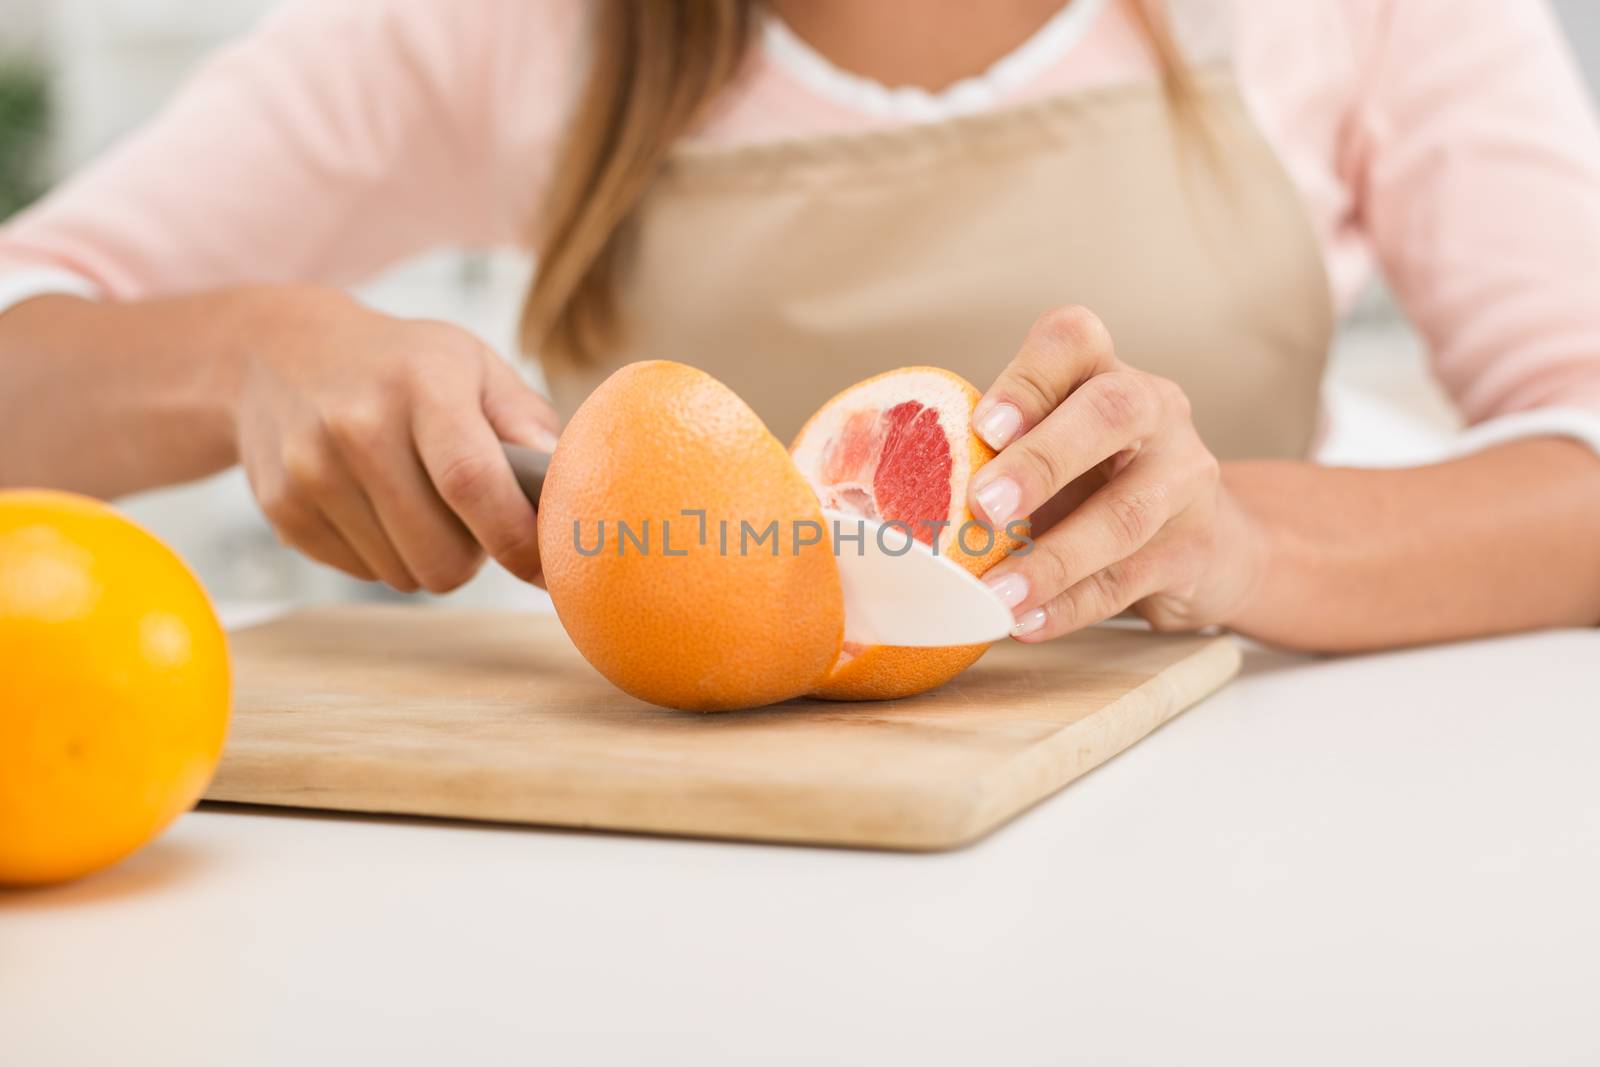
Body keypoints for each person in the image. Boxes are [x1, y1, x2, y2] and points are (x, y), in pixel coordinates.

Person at [2, 0, 1599, 652]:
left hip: (1246, 843)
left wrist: (1243, 544)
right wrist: (249, 352)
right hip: (696, 875)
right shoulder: (505, 24)